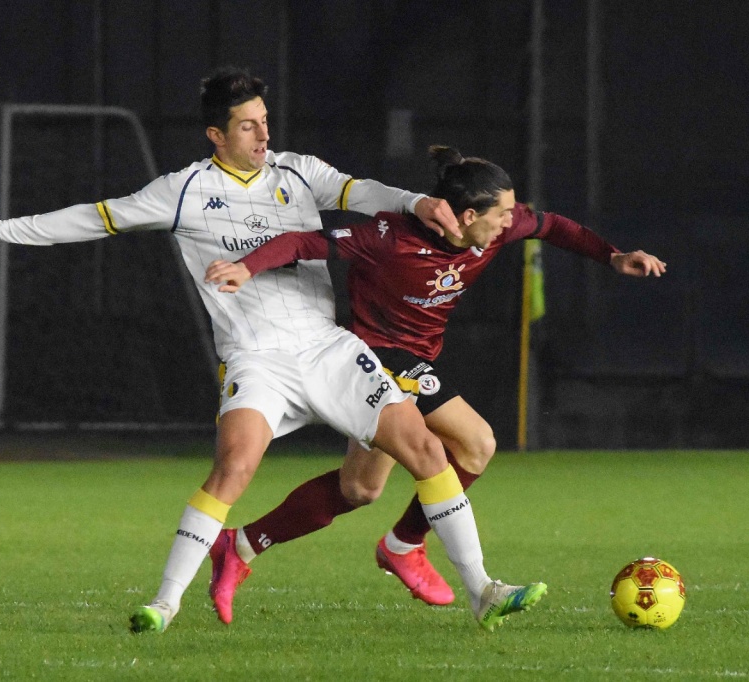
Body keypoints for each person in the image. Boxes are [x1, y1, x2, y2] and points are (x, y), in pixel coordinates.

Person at [0, 68, 546, 634]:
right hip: (255, 357)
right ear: (215, 134)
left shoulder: (298, 171)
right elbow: (95, 218)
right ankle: (165, 602)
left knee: (425, 450)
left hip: (328, 347)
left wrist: (416, 202)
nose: (263, 134)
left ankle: (483, 591)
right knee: (235, 467)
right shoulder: (183, 190)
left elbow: (363, 193)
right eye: (248, 125)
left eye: (264, 120)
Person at [203, 145, 666, 620]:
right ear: (467, 215)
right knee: (476, 442)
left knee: (359, 489)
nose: (513, 221)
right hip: (372, 356)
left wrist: (613, 256)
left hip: (417, 357)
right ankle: (411, 549)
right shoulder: (390, 236)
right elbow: (304, 243)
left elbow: (554, 227)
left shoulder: (497, 227)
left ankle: (239, 544)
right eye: (503, 213)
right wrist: (247, 267)